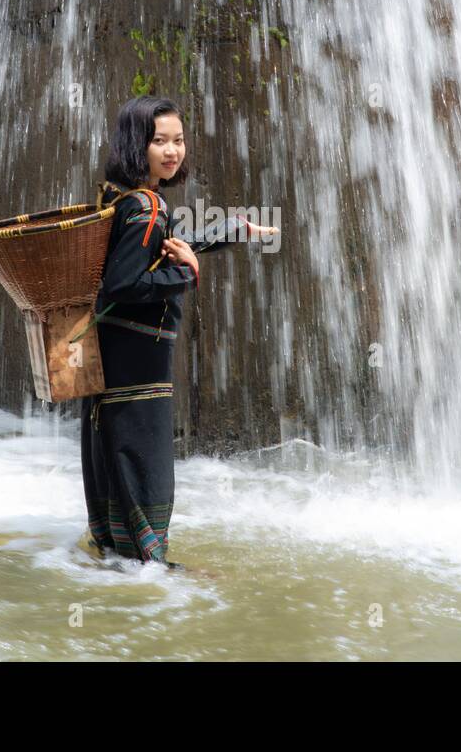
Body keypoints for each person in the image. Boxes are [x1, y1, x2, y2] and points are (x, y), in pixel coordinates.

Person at [79, 95, 276, 567]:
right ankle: (151, 569)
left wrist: (230, 230)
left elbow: (155, 250)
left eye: (179, 140)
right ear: (136, 144)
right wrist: (187, 274)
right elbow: (125, 282)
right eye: (159, 141)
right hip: (137, 367)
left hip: (114, 357)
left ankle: (120, 561)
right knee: (143, 463)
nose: (172, 151)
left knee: (117, 455)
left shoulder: (124, 196)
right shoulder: (148, 205)